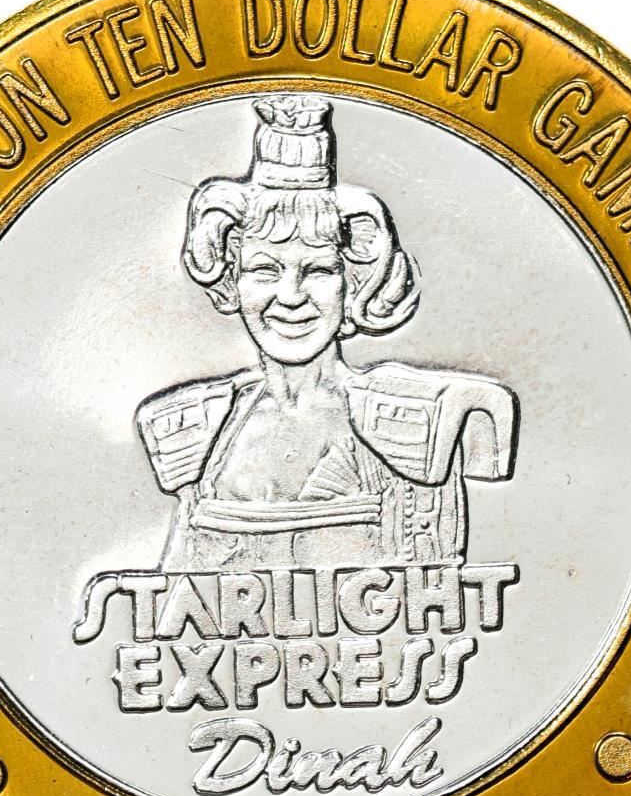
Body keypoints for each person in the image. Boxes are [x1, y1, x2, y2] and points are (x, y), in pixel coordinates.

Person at [137, 94, 517, 572]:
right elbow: (173, 597)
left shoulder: (415, 425)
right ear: (233, 281)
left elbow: (438, 593)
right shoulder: (196, 429)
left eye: (317, 270)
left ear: (352, 282)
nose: (291, 296)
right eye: (264, 270)